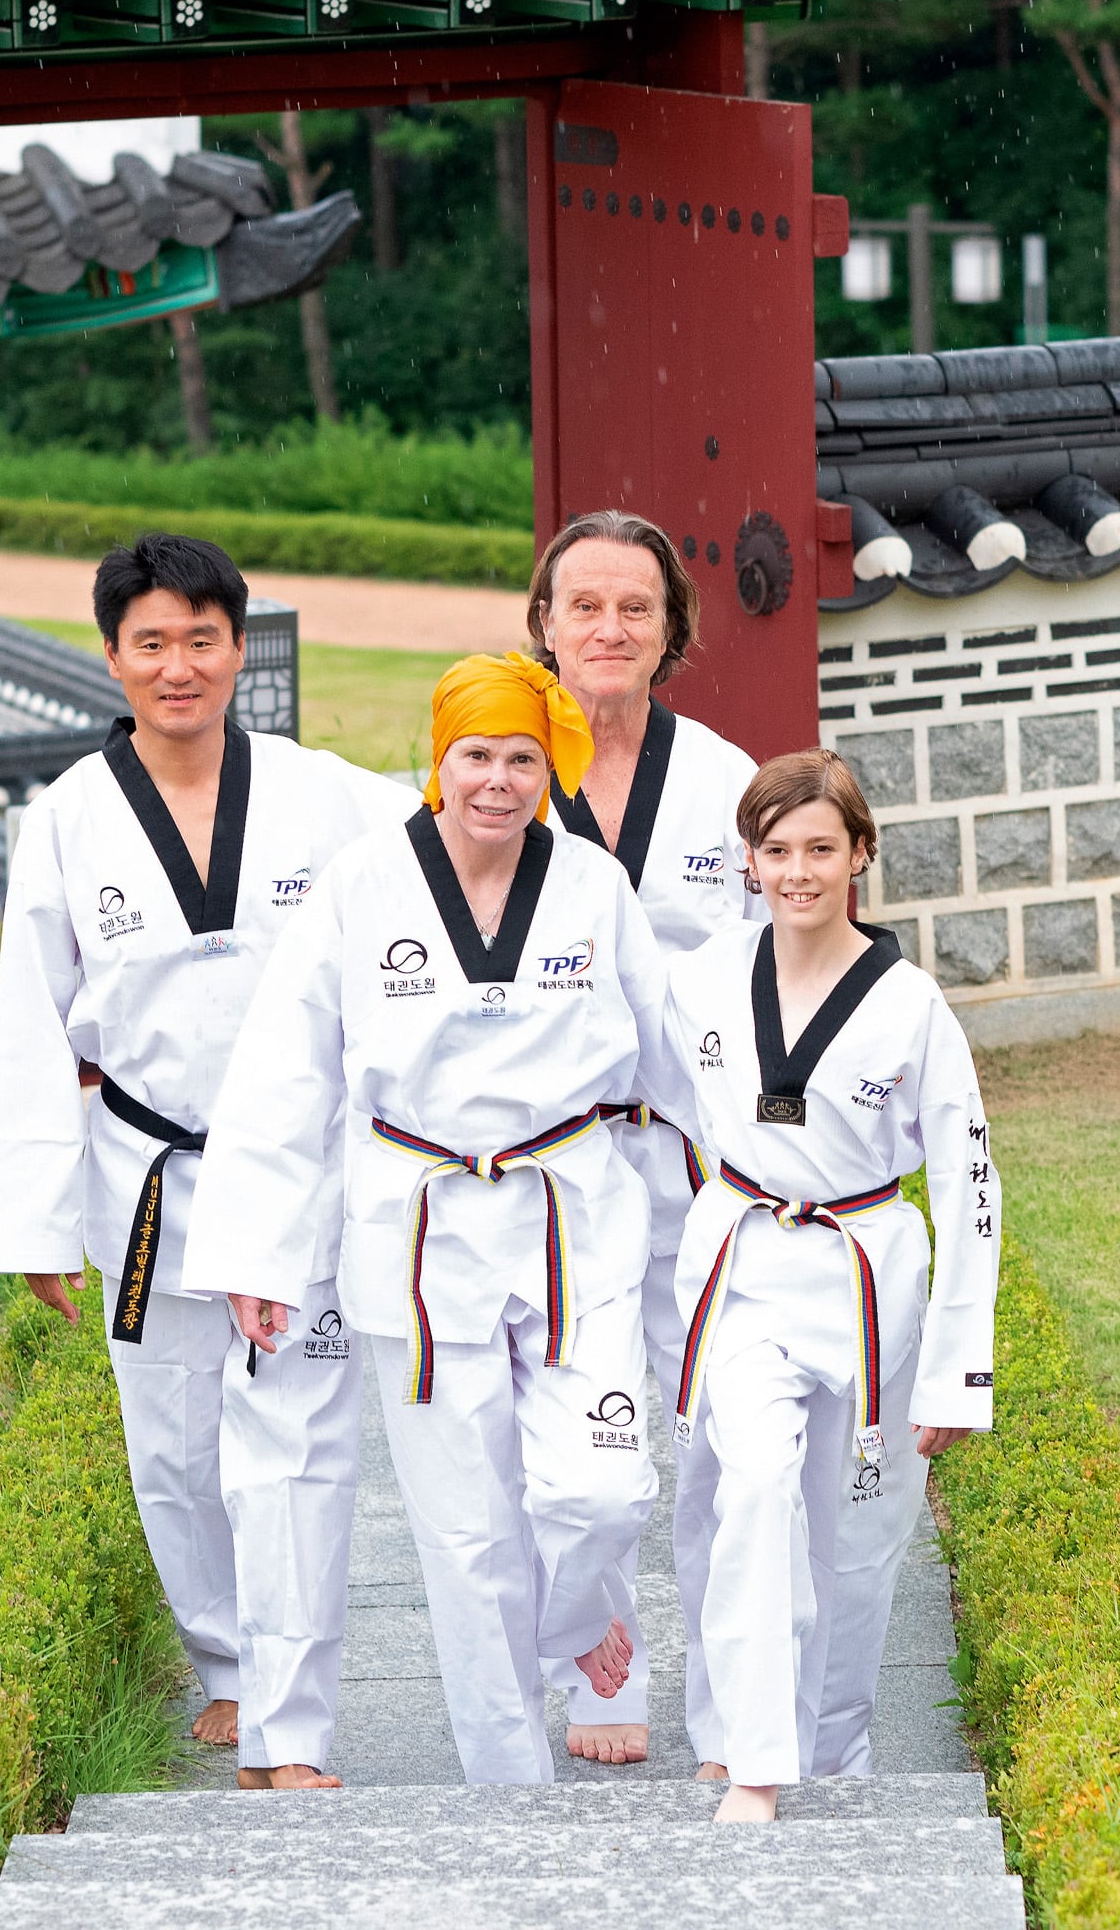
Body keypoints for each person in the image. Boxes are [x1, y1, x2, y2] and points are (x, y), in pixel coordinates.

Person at [184, 652, 662, 1785]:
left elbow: (675, 1041)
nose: (496, 781)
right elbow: (286, 1074)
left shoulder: (593, 886)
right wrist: (262, 1251)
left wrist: (761, 1180)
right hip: (415, 1228)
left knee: (601, 1485)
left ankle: (583, 1609)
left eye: (520, 759)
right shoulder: (359, 885)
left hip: (568, 1216)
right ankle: (508, 1786)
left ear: (548, 769)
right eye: (475, 757)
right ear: (436, 765)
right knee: (467, 1538)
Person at [0, 531, 412, 1790]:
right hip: (144, 1171)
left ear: (241, 646)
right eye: (152, 642)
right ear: (112, 656)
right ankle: (227, 1664)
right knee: (171, 1447)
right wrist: (35, 1222)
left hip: (289, 1172)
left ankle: (289, 1708)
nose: (180, 665)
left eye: (202, 638)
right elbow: (31, 1024)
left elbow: (466, 844)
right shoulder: (65, 818)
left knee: (298, 1445)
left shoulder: (328, 792)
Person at [648, 749, 999, 1819]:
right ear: (747, 861)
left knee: (857, 1535)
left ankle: (834, 1747)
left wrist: (954, 1375)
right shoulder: (703, 974)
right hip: (746, 1260)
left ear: (860, 853)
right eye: (775, 850)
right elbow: (654, 1106)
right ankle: (752, 1755)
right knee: (749, 1489)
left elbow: (969, 1181)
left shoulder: (910, 1004)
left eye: (819, 848)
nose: (797, 870)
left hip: (862, 1269)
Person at [528, 508, 765, 1770]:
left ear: (671, 627)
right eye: (585, 605)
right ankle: (598, 1668)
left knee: (723, 1425)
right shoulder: (499, 772)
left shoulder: (728, 781)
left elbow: (775, 967)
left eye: (635, 606)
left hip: (692, 1153)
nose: (609, 628)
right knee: (582, 1437)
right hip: (554, 1161)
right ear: (545, 625)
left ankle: (731, 1697)